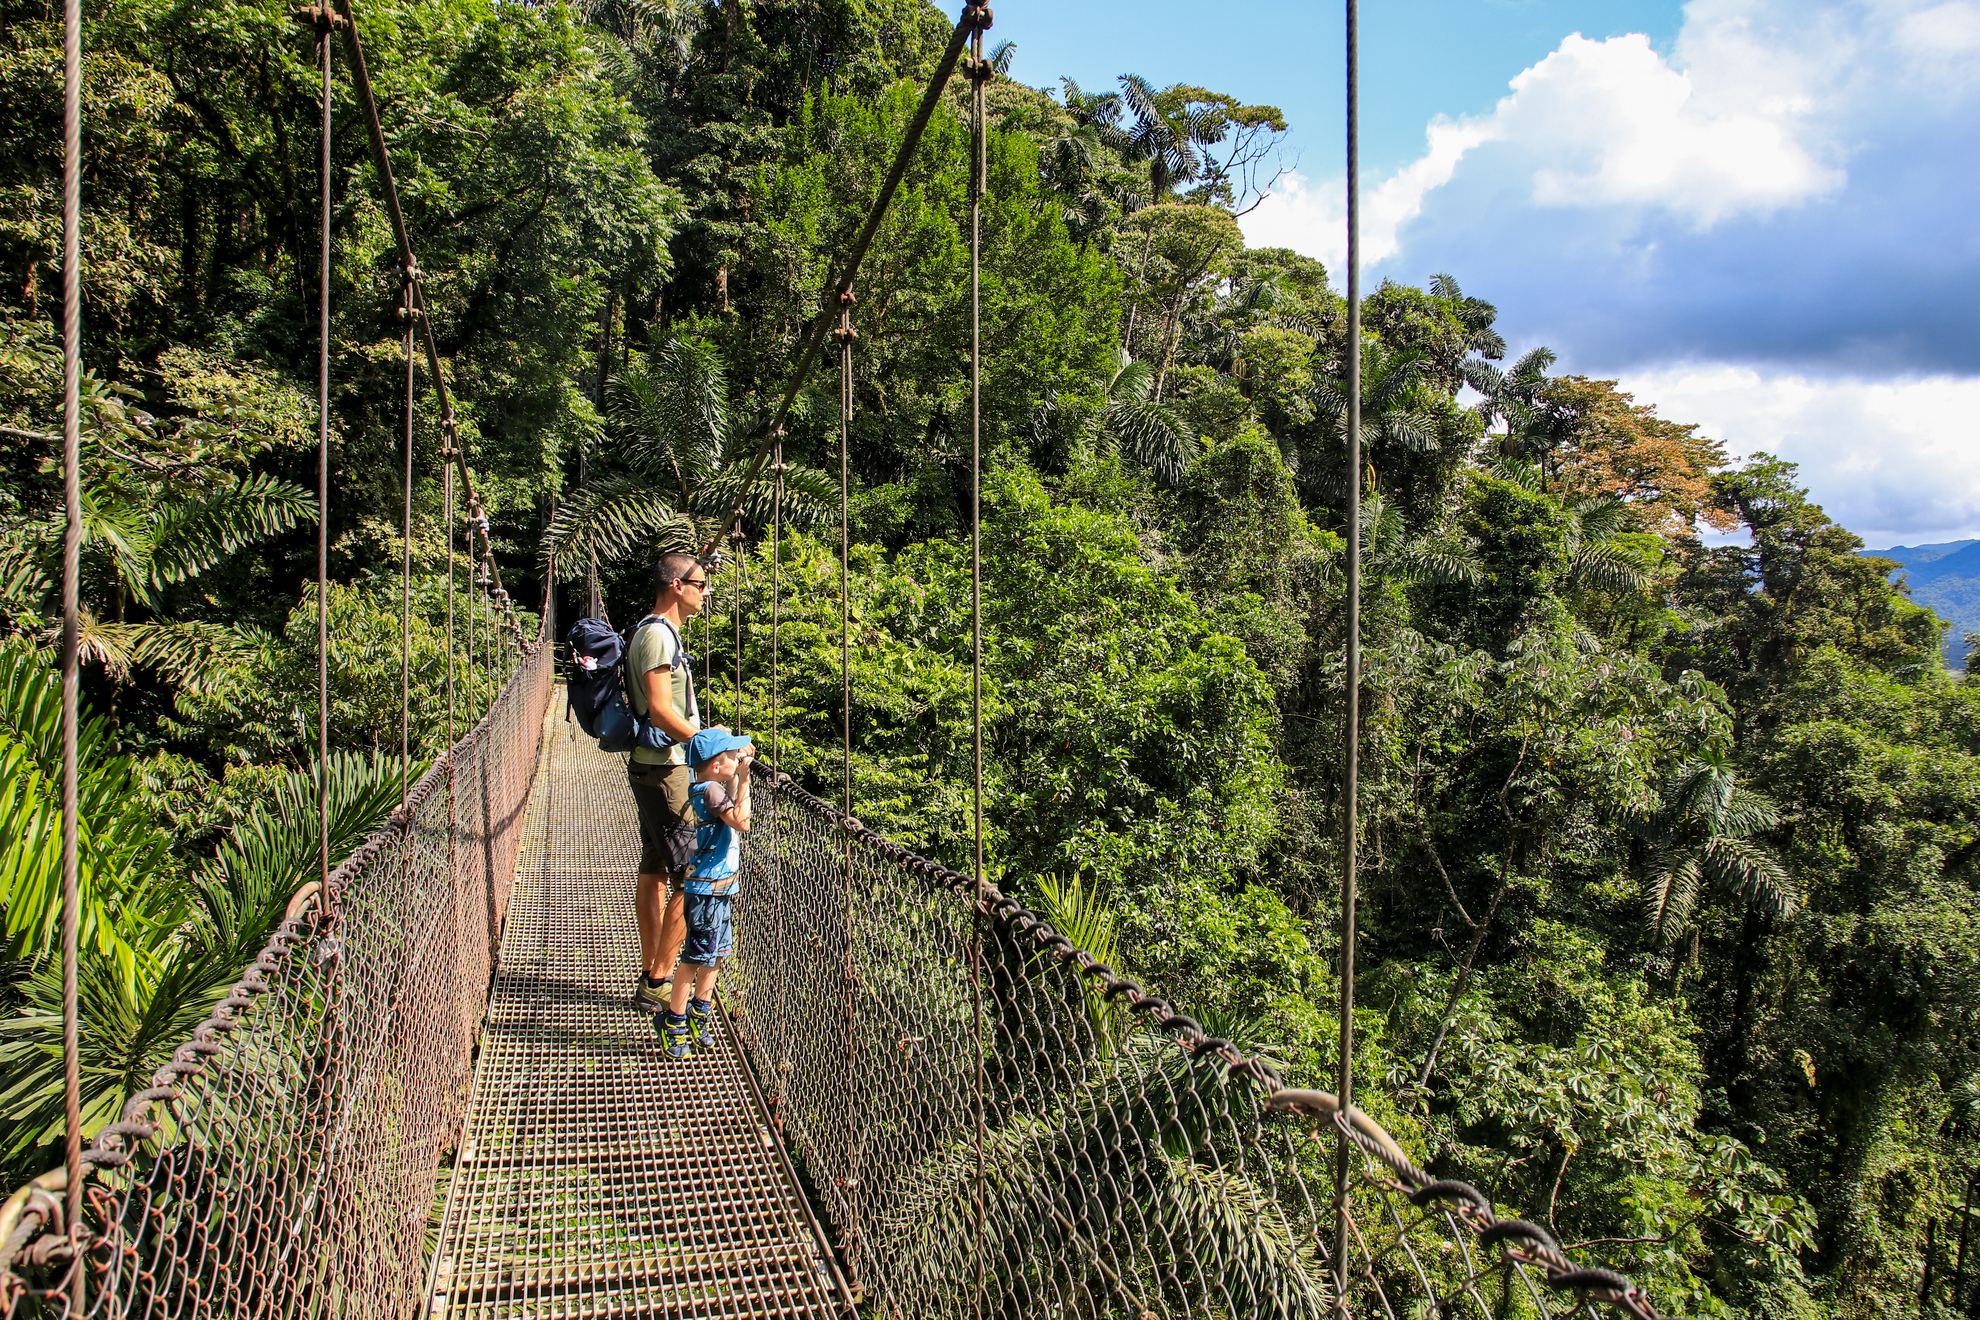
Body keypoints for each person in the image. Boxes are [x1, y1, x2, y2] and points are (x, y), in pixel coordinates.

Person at [625, 552, 714, 1013]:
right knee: (694, 876)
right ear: (677, 585)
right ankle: (658, 982)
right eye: (702, 582)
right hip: (667, 771)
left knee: (655, 868)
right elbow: (661, 709)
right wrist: (710, 745)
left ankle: (650, 969)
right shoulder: (659, 636)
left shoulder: (651, 630)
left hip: (651, 766)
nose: (708, 590)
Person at [658, 728, 753, 1059]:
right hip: (707, 891)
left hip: (719, 888)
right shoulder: (712, 791)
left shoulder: (707, 786)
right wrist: (744, 779)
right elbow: (742, 821)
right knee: (694, 959)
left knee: (716, 954)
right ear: (716, 765)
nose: (737, 758)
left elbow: (725, 803)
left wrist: (735, 766)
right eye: (730, 755)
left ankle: (700, 1012)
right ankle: (674, 1022)